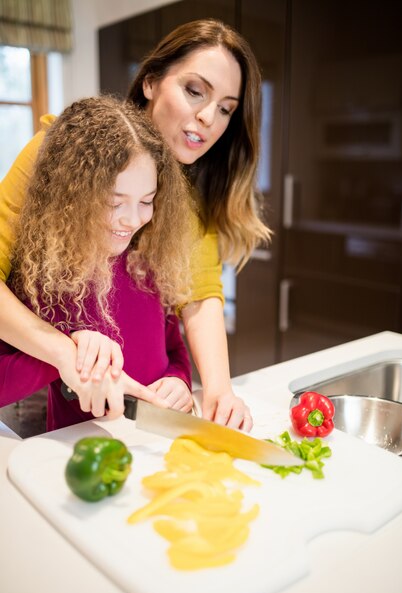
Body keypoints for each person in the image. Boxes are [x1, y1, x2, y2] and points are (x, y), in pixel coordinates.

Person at [0, 19, 270, 431]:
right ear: (149, 81)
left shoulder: (188, 197)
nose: (208, 117)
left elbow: (199, 294)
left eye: (226, 109)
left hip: (126, 422)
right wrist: (65, 352)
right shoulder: (53, 157)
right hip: (44, 406)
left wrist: (217, 391)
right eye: (195, 91)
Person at [0, 96, 194, 430]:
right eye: (113, 202)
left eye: (146, 201)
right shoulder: (44, 278)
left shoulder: (146, 262)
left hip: (152, 444)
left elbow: (175, 350)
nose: (132, 220)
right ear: (73, 197)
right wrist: (68, 354)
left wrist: (179, 381)